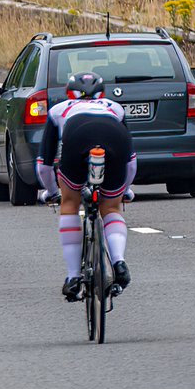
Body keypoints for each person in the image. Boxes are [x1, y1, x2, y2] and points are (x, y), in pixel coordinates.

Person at [34, 72, 136, 302]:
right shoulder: (115, 108)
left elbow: (44, 166)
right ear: (102, 93)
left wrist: (52, 192)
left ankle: (73, 277)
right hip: (114, 137)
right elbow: (131, 163)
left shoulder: (58, 110)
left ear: (69, 93)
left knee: (70, 204)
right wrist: (125, 190)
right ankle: (119, 261)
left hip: (77, 136)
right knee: (111, 208)